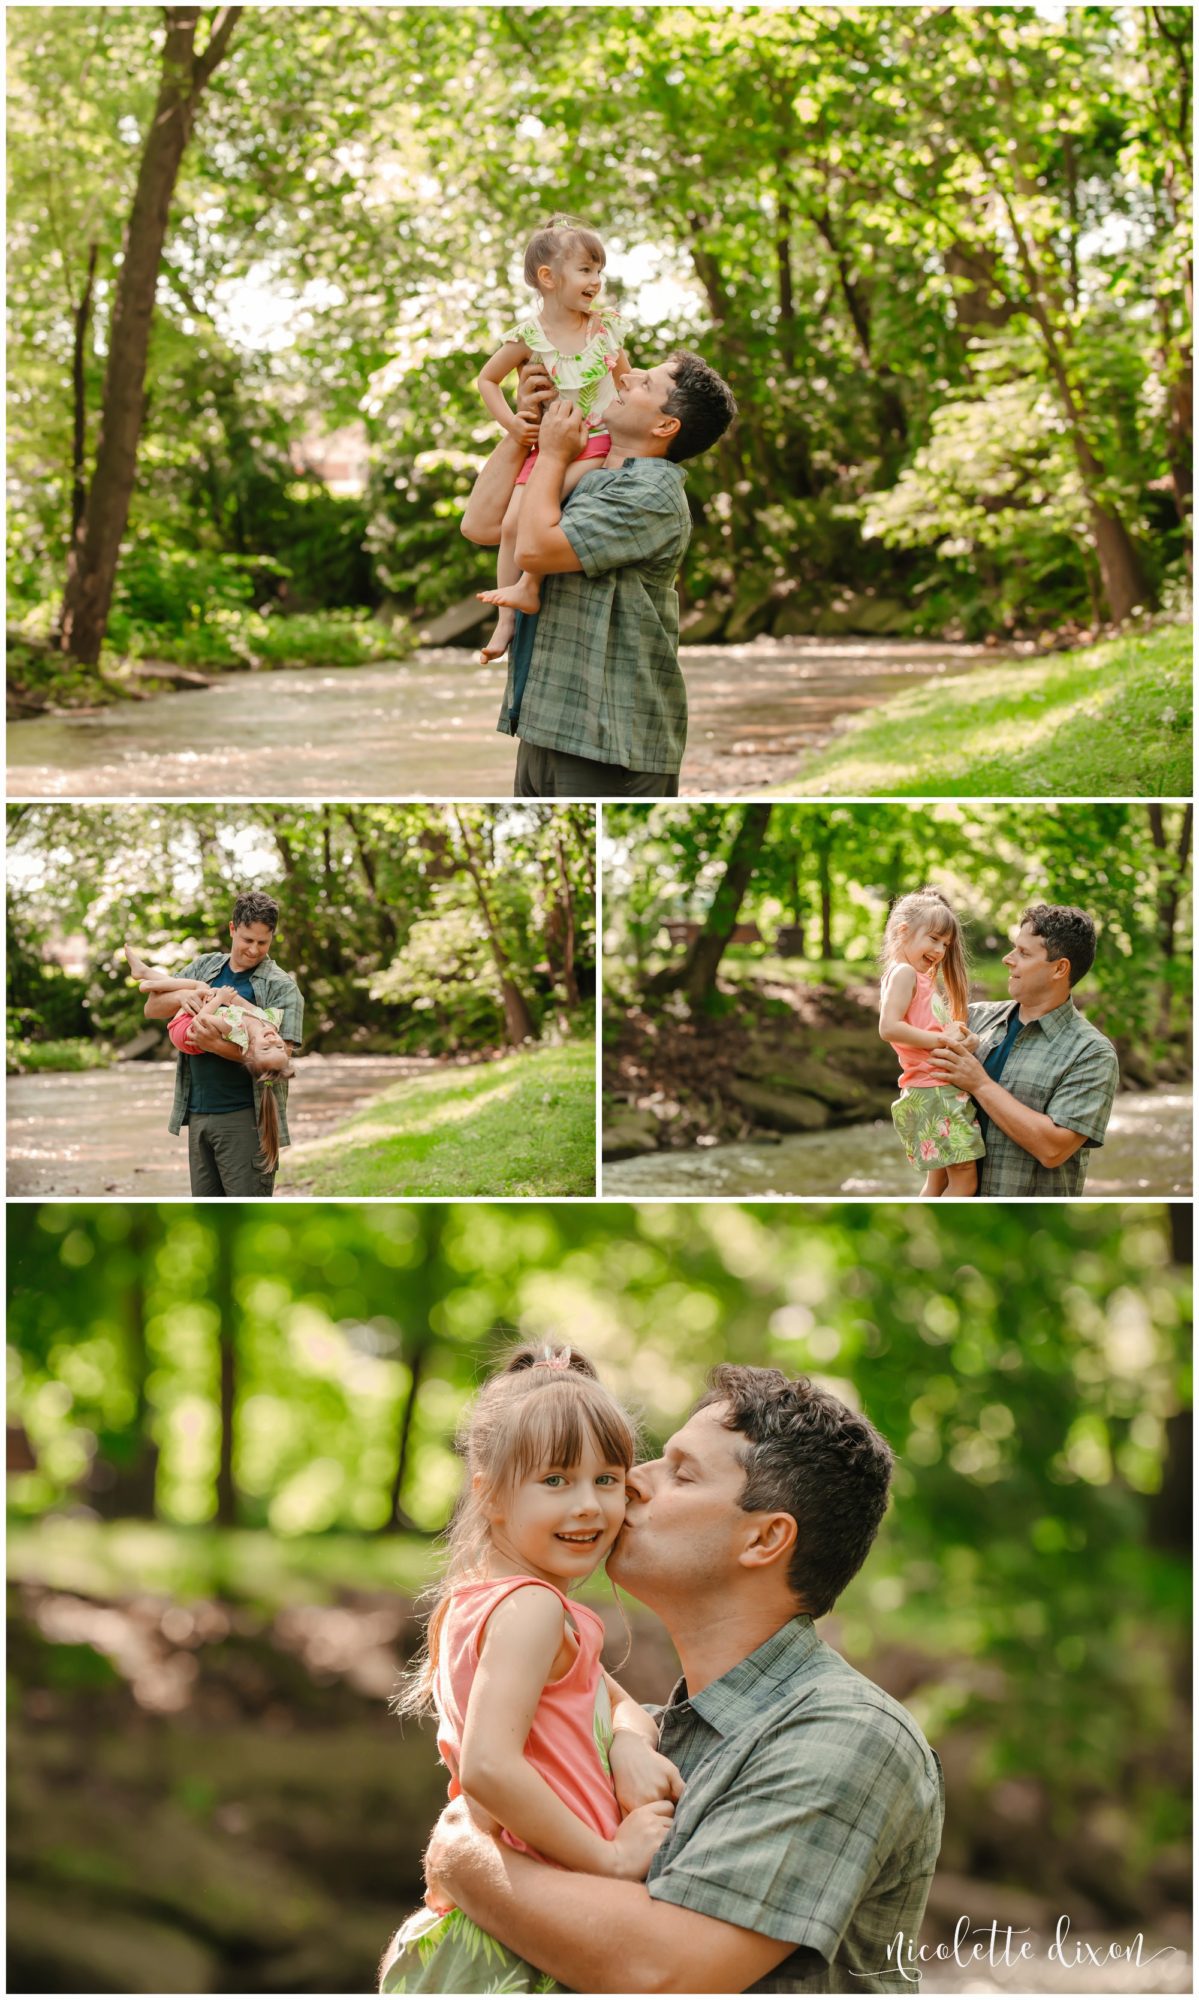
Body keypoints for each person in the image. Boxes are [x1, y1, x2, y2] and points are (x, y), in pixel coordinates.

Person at [382, 1365, 944, 1994]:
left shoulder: (845, 1735)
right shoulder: (629, 1728)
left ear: (764, 1538)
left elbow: (660, 1972)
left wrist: (464, 1858)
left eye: (680, 1472)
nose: (631, 1483)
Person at [383, 1344, 683, 1992]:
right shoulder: (531, 1612)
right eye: (555, 1480)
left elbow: (619, 1703)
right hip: (519, 1933)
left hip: (497, 1919)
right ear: (489, 1496)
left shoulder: (482, 1604)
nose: (588, 1506)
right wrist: (608, 1858)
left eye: (607, 1479)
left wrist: (628, 1745)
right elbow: (489, 1768)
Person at [461, 347, 737, 799]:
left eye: (646, 383)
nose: (626, 379)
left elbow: (533, 550)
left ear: (666, 426)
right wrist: (523, 428)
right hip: (545, 724)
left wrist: (551, 454)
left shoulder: (651, 493)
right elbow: (482, 525)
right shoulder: (586, 471)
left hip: (610, 743)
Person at [475, 216, 630, 665]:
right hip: (547, 444)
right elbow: (487, 380)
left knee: (542, 512)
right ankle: (507, 617)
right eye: (586, 270)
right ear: (548, 278)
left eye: (599, 270)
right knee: (509, 525)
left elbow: (627, 384)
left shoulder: (603, 330)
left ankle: (530, 584)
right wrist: (513, 424)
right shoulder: (529, 337)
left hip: (596, 440)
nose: (596, 280)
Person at [928, 903, 1120, 1197]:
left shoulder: (1091, 1053)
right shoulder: (972, 1018)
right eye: (1013, 948)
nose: (1008, 959)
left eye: (1024, 953)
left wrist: (978, 1083)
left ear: (1060, 968)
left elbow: (1053, 1149)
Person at [140, 890, 304, 1198]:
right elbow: (151, 1008)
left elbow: (279, 1062)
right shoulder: (205, 967)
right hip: (198, 1112)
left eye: (262, 942)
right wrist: (184, 996)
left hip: (247, 1117)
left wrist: (215, 1045)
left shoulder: (283, 987)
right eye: (247, 940)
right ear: (232, 929)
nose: (254, 950)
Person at [124, 947, 294, 1174]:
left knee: (201, 988)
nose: (272, 1040)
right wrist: (230, 999)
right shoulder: (270, 1023)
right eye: (278, 1045)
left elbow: (201, 1021)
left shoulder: (238, 1031)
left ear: (251, 1049)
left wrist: (218, 999)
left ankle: (149, 980)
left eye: (266, 1047)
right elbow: (245, 1006)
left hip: (185, 1033)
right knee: (199, 988)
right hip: (200, 1026)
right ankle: (148, 978)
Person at [878, 888, 986, 1198]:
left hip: (934, 1088)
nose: (940, 950)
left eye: (945, 944)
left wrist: (964, 1038)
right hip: (934, 1091)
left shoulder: (916, 977)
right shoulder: (903, 974)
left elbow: (923, 1029)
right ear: (903, 931)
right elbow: (889, 1027)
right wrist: (941, 1039)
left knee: (938, 1182)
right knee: (965, 1181)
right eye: (933, 939)